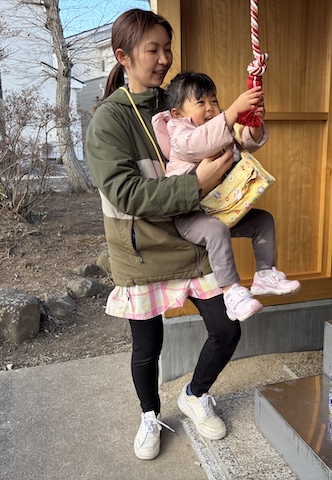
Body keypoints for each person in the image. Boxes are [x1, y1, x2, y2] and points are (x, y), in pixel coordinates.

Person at [85, 9, 249, 461]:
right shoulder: (108, 121)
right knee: (148, 346)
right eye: (152, 50)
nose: (164, 59)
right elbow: (126, 194)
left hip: (191, 238)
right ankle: (149, 415)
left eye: (167, 49)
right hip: (141, 250)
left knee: (226, 329)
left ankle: (195, 394)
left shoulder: (176, 101)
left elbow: (216, 137)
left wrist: (244, 124)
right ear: (123, 56)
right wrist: (197, 183)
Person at [152, 71, 301, 322]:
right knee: (216, 230)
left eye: (214, 100)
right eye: (201, 102)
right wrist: (232, 112)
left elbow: (246, 142)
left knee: (263, 220)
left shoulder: (217, 128)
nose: (210, 108)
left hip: (219, 207)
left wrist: (253, 123)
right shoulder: (180, 134)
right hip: (190, 215)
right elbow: (201, 143)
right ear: (177, 113)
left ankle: (265, 274)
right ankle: (231, 292)